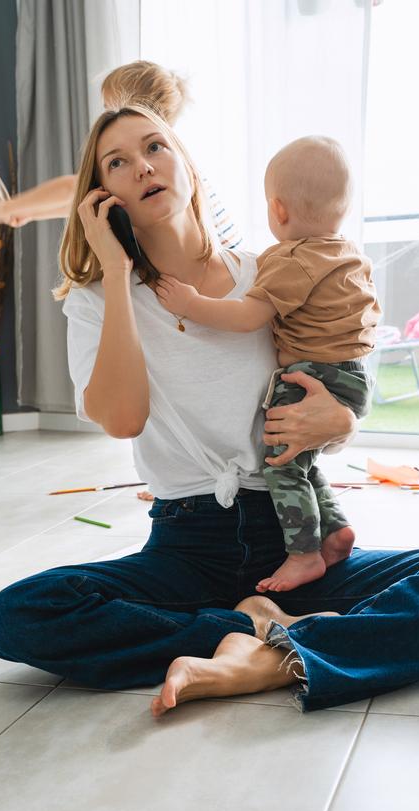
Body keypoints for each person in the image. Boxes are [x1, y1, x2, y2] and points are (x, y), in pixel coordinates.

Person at [0, 104, 419, 715]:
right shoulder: (96, 302)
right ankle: (265, 637)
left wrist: (344, 423)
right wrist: (114, 272)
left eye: (155, 147)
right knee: (20, 614)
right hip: (185, 545)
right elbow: (123, 419)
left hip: (292, 542)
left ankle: (264, 654)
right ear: (102, 196)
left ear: (187, 165)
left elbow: (335, 379)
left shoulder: (272, 272)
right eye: (118, 162)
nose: (142, 166)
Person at [154, 136, 380, 593]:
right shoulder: (348, 253)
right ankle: (335, 530)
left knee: (280, 464)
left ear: (278, 210)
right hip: (353, 376)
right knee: (303, 460)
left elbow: (246, 316)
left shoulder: (291, 260)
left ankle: (303, 554)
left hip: (308, 374)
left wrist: (192, 302)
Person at [0, 60, 241, 250]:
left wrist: (6, 208)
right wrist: (31, 212)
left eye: (110, 108)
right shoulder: (164, 161)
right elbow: (90, 197)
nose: (106, 118)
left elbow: (72, 188)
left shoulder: (175, 165)